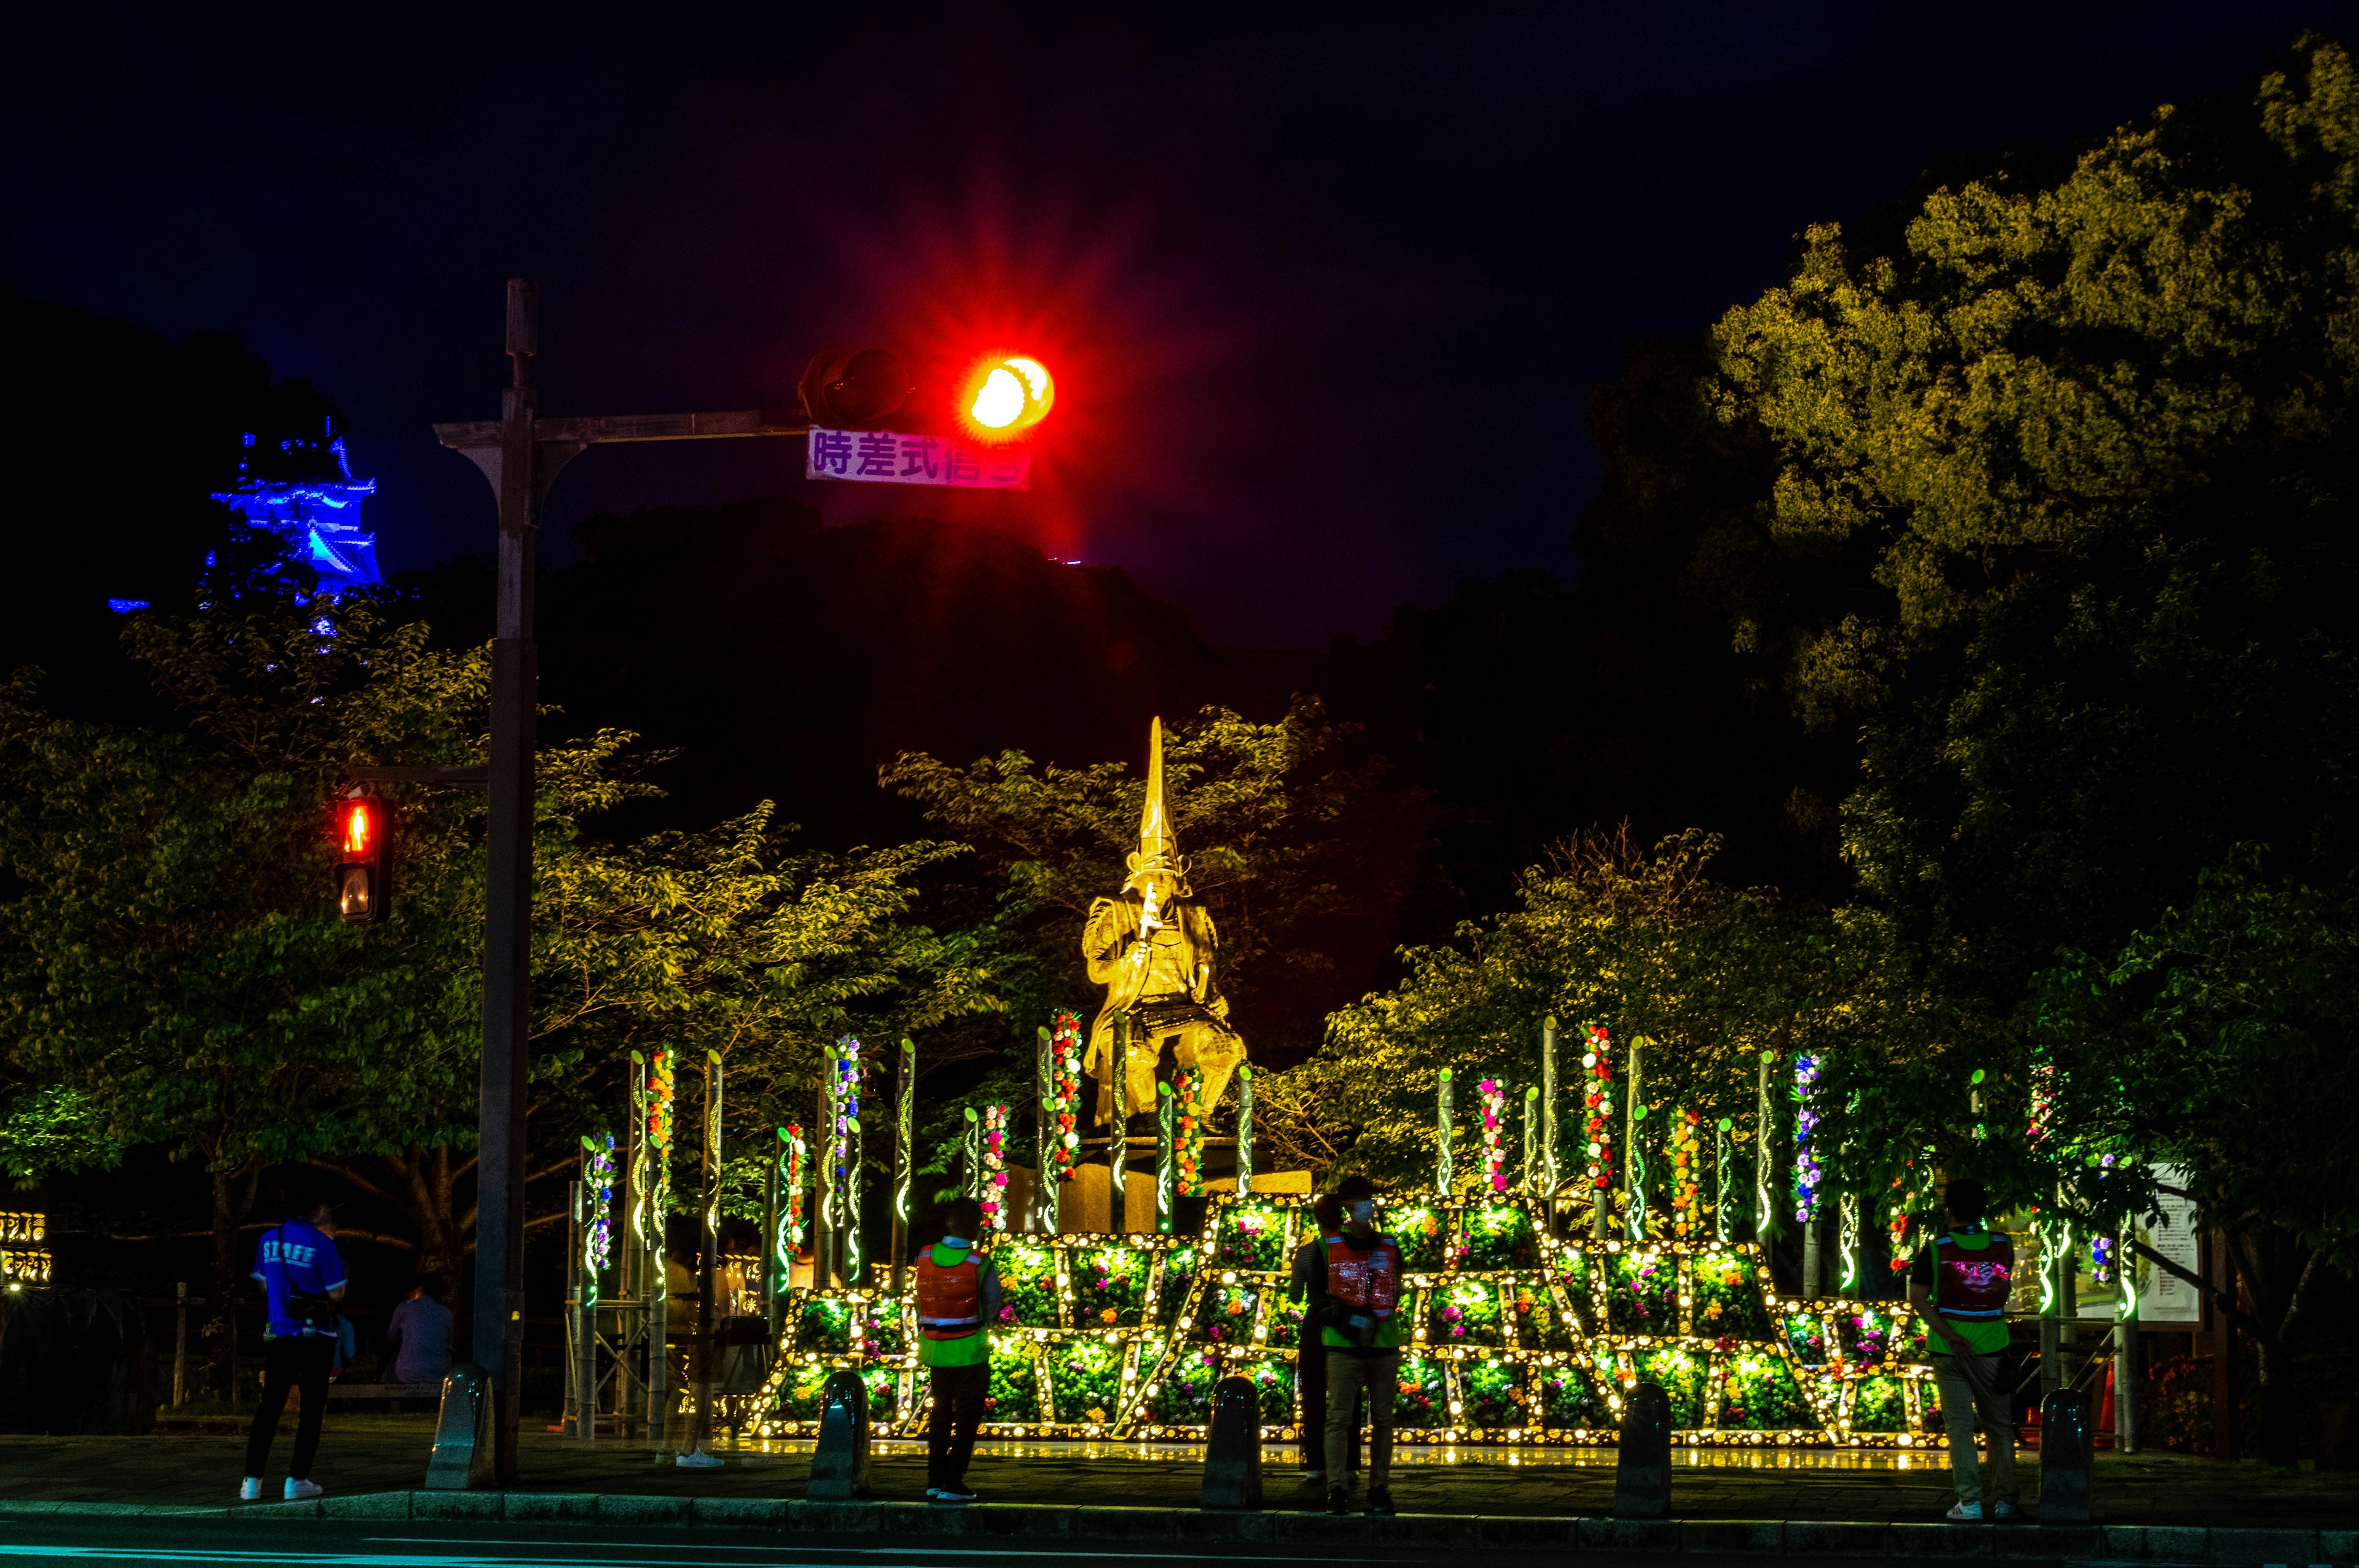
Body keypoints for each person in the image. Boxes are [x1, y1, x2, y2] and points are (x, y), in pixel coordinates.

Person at [1907, 1177, 2020, 1522]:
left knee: (1960, 1427)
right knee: (1999, 1426)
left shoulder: (1936, 1248)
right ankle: (2006, 1503)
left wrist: (1951, 1335)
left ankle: (1969, 1503)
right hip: (1994, 1348)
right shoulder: (2003, 1245)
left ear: (1949, 1208)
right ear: (1984, 1208)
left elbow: (1918, 1299)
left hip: (1948, 1352)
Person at [241, 1192, 348, 1502]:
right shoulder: (324, 1245)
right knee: (311, 1409)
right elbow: (337, 1294)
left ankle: (252, 1481)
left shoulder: (268, 1239)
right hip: (317, 1336)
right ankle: (297, 1479)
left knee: (269, 1407)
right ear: (317, 1214)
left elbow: (262, 1284)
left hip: (278, 1331)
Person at [1316, 1174, 1401, 1516]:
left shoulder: (1390, 1245)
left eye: (1369, 1199)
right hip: (1344, 1345)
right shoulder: (1325, 1246)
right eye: (1361, 1201)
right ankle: (1337, 1488)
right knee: (1339, 1417)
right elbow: (1316, 1295)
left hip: (1382, 1343)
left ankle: (1378, 1487)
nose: (1367, 1206)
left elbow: (1396, 1287)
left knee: (1382, 1419)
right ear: (1346, 1207)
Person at [915, 1196, 1003, 1505]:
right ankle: (954, 1480)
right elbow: (993, 1304)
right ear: (976, 1226)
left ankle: (934, 1479)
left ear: (948, 1224)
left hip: (935, 1349)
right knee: (966, 1418)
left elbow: (920, 1299)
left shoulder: (925, 1256)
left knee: (940, 1414)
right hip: (970, 1350)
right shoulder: (979, 1261)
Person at [383, 1279, 455, 1387]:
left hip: (408, 1372)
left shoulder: (404, 1308)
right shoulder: (446, 1313)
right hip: (439, 1373)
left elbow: (391, 1337)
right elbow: (449, 1346)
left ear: (421, 1290)